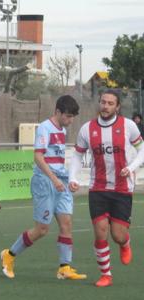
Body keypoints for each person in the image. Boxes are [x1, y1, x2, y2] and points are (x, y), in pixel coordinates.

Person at [0, 95, 87, 280]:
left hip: (59, 181)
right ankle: (9, 255)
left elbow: (57, 158)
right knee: (42, 229)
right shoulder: (44, 128)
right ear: (57, 112)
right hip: (45, 182)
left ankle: (64, 267)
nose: (70, 121)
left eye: (72, 117)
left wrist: (67, 179)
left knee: (66, 224)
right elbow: (38, 157)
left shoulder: (62, 130)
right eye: (68, 116)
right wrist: (53, 178)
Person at [69, 90, 144, 287]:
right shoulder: (87, 129)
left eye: (111, 103)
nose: (106, 106)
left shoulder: (129, 126)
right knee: (100, 231)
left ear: (117, 107)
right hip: (98, 187)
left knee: (117, 234)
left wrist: (131, 167)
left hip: (122, 187)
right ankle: (106, 275)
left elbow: (142, 149)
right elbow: (77, 155)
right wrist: (72, 177)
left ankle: (125, 243)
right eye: (103, 102)